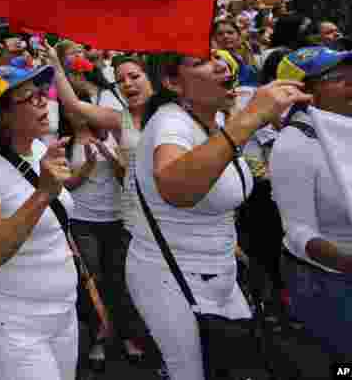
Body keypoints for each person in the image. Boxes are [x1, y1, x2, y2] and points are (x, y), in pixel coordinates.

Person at [126, 53, 309, 380]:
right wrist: (249, 118)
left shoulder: (215, 120)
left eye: (218, 58)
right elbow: (176, 189)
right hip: (172, 279)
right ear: (172, 83)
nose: (222, 65)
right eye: (201, 62)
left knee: (240, 362)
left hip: (219, 270)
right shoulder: (170, 123)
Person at [0, 64, 77, 380]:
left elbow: (59, 218)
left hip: (64, 312)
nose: (43, 102)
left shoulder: (39, 148)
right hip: (15, 324)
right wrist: (42, 195)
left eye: (43, 94)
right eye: (31, 98)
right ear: (2, 116)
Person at [46, 48, 149, 365]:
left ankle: (132, 335)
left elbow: (124, 176)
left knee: (123, 280)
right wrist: (55, 66)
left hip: (124, 218)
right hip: (85, 222)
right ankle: (100, 339)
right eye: (121, 80)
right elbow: (66, 184)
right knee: (95, 283)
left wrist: (108, 155)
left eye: (135, 76)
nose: (128, 83)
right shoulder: (71, 139)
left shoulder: (120, 130)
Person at [270, 47, 352, 361]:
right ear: (303, 93)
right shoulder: (295, 145)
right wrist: (348, 263)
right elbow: (298, 231)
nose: (351, 82)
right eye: (337, 77)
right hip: (332, 285)